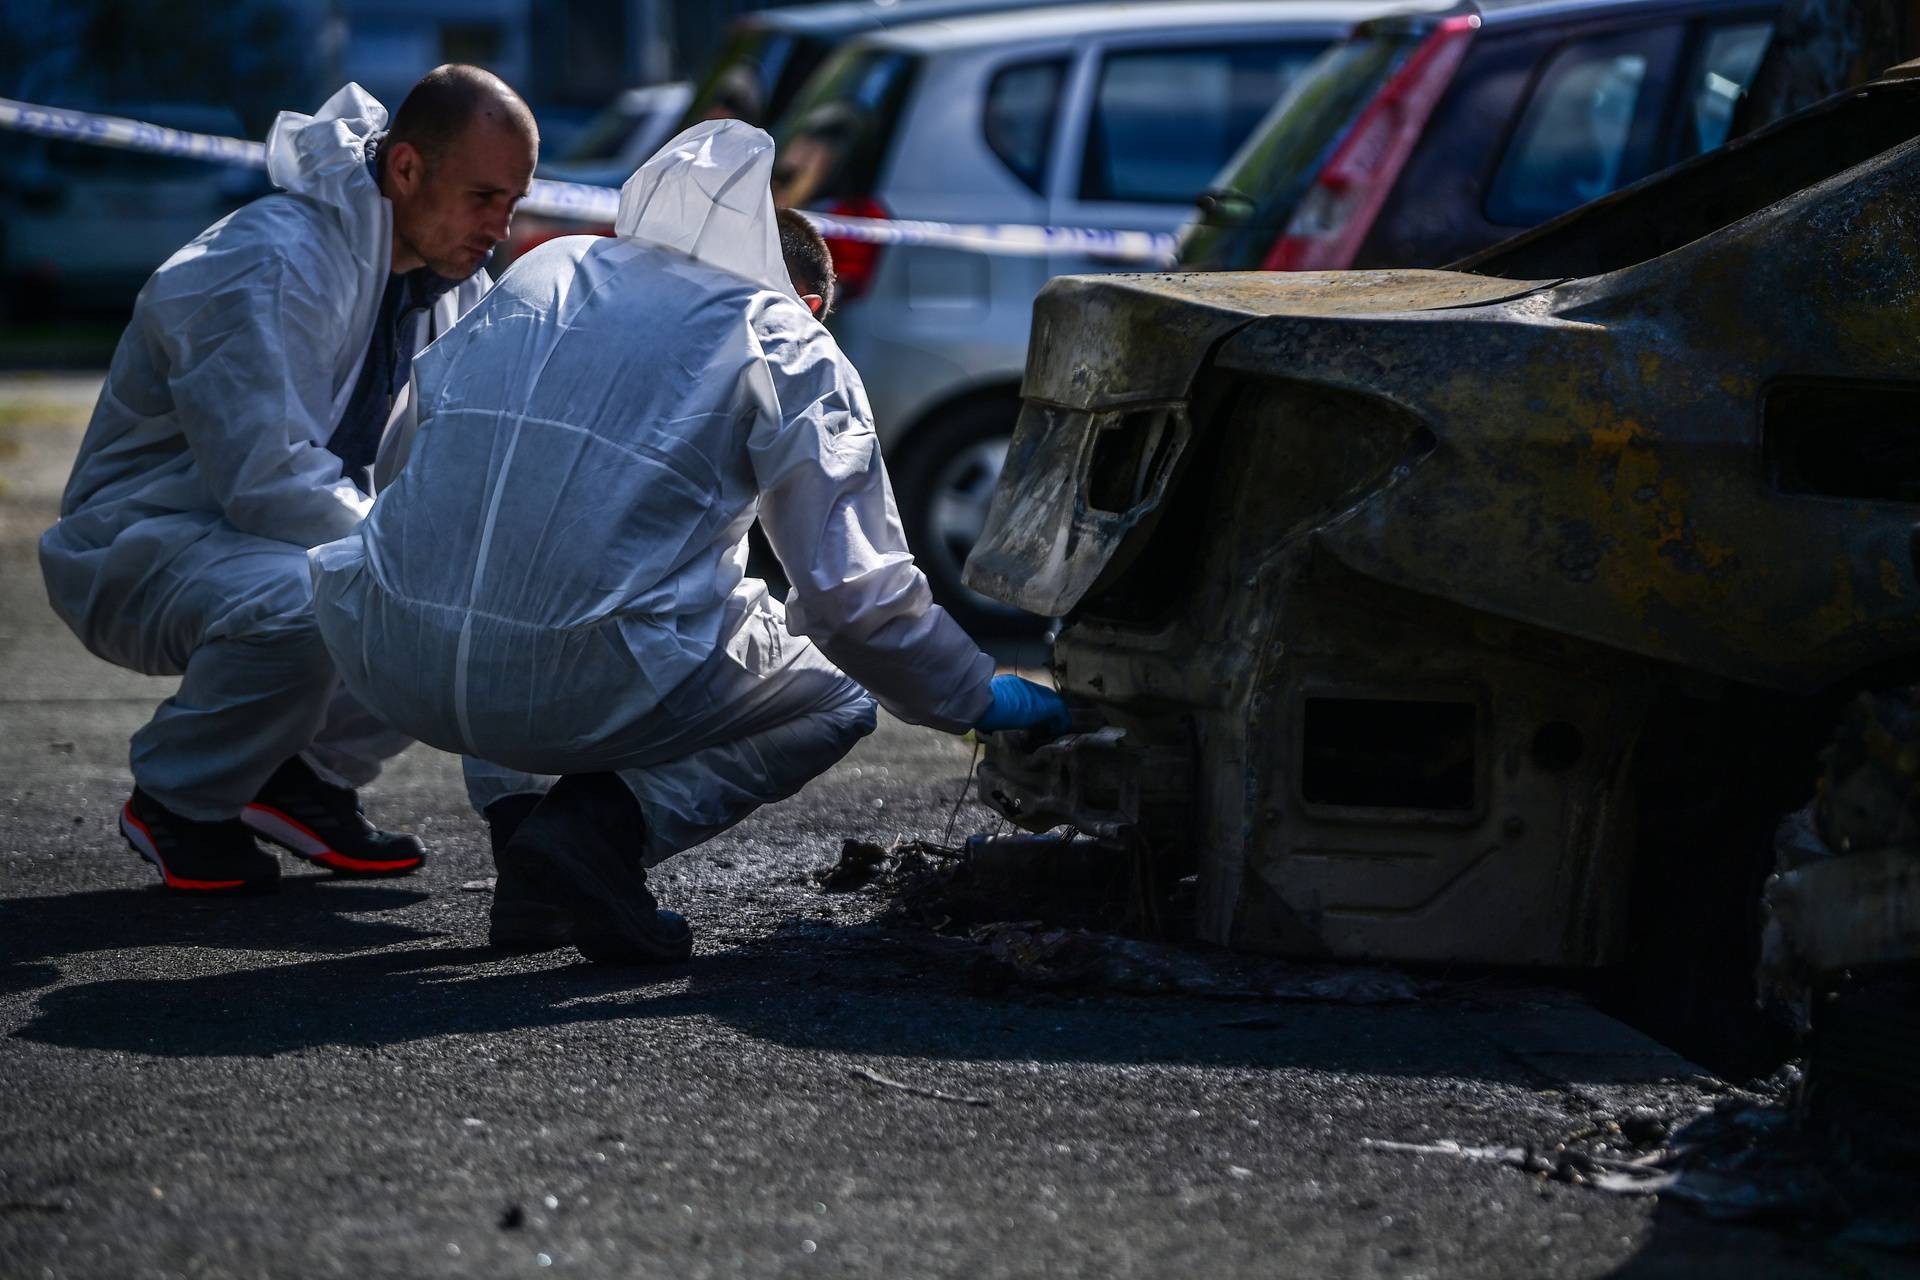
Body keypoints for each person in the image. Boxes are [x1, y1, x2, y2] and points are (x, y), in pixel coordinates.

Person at [309, 120, 1070, 963]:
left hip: (392, 653)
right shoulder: (781, 334)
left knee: (508, 587)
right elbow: (853, 601)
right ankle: (598, 833)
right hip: (563, 680)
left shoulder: (546, 271)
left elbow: (406, 458)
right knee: (838, 692)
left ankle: (533, 870)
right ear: (810, 301)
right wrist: (979, 696)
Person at [39, 66, 539, 894]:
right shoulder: (268, 259)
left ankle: (301, 781)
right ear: (406, 169)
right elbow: (267, 481)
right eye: (485, 197)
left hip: (263, 546)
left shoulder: (448, 284)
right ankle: (179, 797)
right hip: (146, 543)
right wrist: (420, 560)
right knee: (337, 596)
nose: (503, 225)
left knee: (470, 593)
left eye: (513, 202)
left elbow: (468, 466)